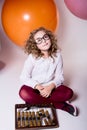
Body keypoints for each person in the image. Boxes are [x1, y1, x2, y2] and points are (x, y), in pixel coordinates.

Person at [19, 27, 78, 116]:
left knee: (69, 93)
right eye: (39, 40)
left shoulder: (57, 55)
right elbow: (23, 77)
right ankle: (61, 105)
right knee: (23, 92)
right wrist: (38, 86)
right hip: (35, 87)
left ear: (50, 38)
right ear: (35, 45)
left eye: (45, 37)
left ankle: (33, 102)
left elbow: (60, 77)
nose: (44, 41)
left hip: (51, 85)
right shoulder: (32, 57)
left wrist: (50, 87)